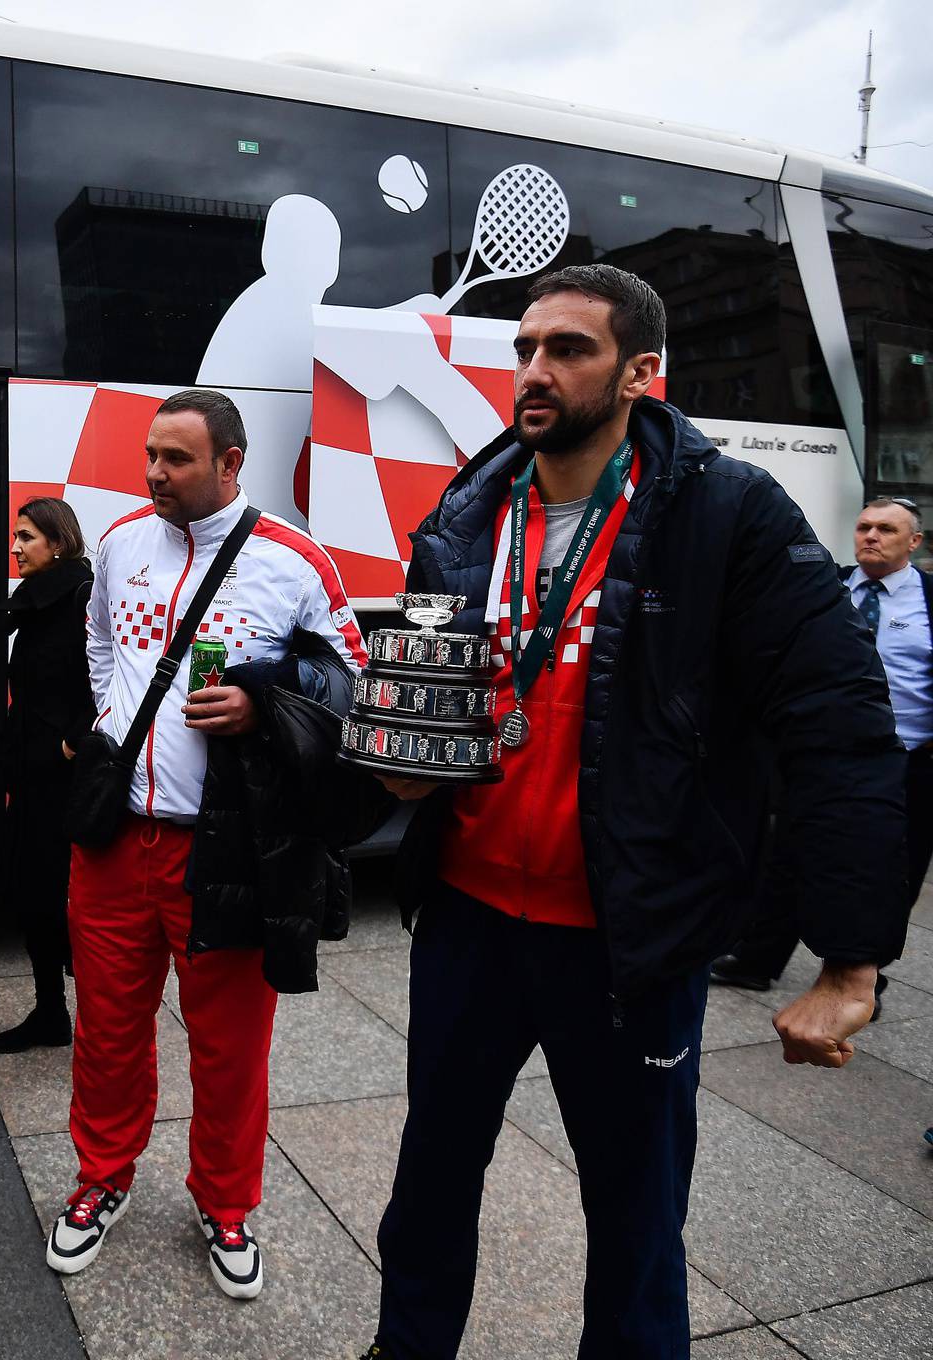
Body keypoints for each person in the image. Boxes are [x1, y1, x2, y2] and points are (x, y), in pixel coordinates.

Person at [358, 265, 904, 1360]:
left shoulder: (728, 512)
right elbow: (434, 698)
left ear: (643, 373)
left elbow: (839, 724)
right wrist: (401, 769)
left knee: (638, 1217)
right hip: (466, 920)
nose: (534, 371)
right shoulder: (470, 508)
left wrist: (851, 962)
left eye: (568, 349)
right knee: (428, 1179)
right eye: (524, 348)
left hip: (628, 941)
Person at [44, 388, 365, 1301]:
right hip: (112, 844)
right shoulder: (118, 545)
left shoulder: (293, 560)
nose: (154, 474)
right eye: (150, 455)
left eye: (176, 459)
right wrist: (113, 717)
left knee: (229, 1044)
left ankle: (226, 1204)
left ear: (231, 462)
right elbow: (101, 642)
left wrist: (264, 700)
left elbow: (347, 675)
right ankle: (100, 1180)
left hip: (225, 850)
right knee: (107, 1031)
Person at [709, 494, 930, 1010]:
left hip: (910, 760)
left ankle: (863, 969)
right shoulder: (824, 586)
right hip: (819, 749)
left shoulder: (926, 600)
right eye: (864, 527)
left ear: (914, 542)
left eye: (886, 530)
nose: (870, 537)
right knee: (787, 852)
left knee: (896, 867)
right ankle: (758, 959)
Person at [0, 498, 93, 1055]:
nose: (15, 547)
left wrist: (70, 744)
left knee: (55, 897)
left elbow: (106, 678)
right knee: (34, 895)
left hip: (59, 777)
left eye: (26, 536)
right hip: (30, 770)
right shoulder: (36, 602)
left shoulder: (80, 598)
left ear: (58, 541)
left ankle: (73, 1014)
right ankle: (51, 1010)